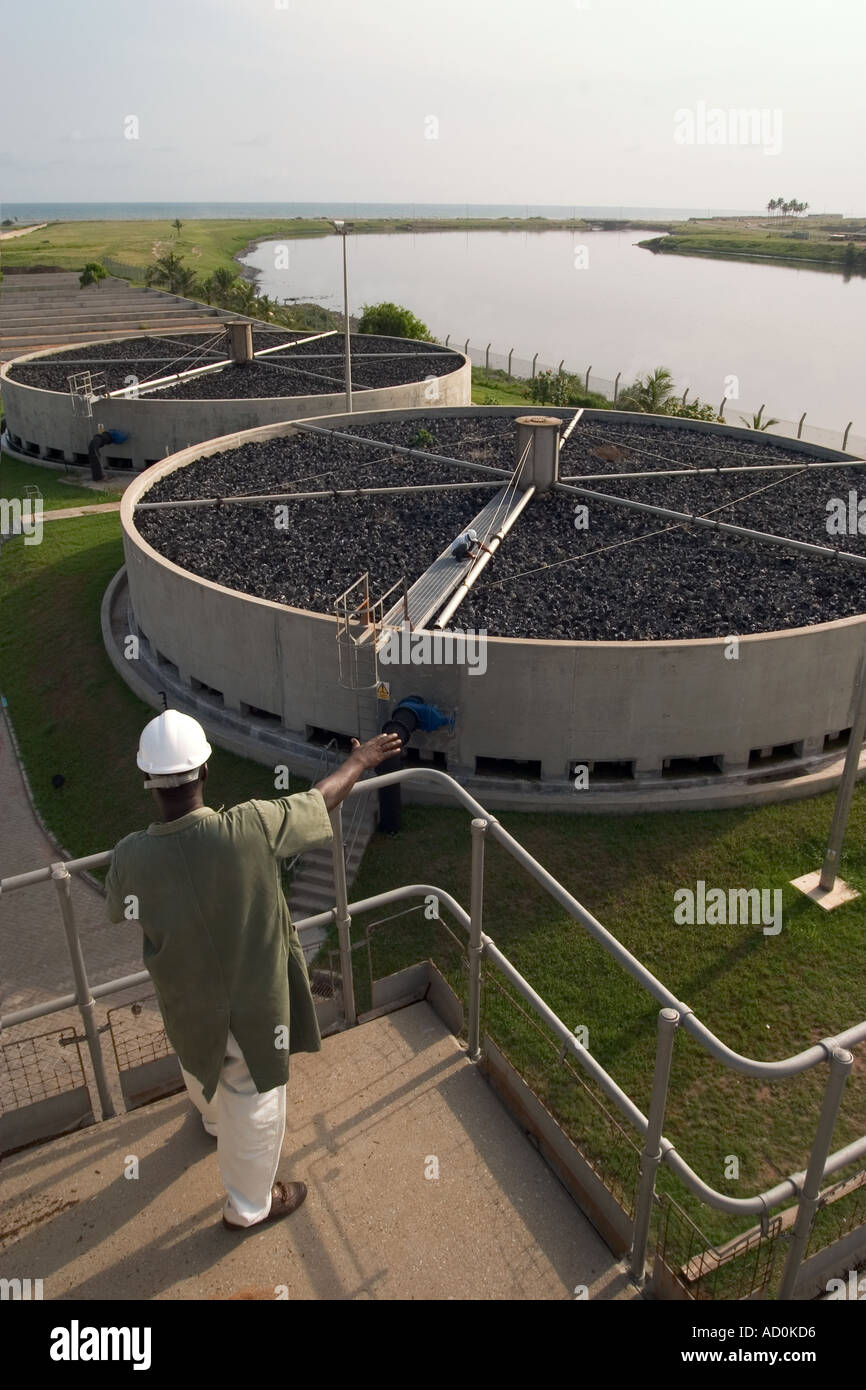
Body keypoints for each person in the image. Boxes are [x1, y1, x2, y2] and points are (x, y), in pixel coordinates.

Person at [105, 709, 401, 1232]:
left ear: (148, 781)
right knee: (257, 1094)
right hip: (252, 1003)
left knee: (198, 1059)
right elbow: (321, 800)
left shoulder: (131, 856)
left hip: (183, 999)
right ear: (204, 772)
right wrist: (360, 759)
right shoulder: (251, 827)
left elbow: (119, 906)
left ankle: (214, 1121)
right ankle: (250, 1206)